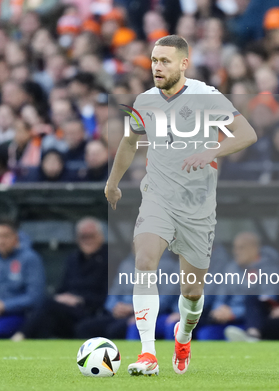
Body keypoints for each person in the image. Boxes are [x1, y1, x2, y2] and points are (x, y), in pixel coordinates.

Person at [105, 35, 257, 376]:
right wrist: (112, 182)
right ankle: (147, 354)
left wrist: (211, 151)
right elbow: (130, 143)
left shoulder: (207, 97)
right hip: (157, 197)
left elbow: (247, 134)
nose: (157, 67)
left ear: (183, 64)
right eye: (154, 61)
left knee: (191, 290)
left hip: (197, 206)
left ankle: (183, 335)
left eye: (165, 61)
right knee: (144, 261)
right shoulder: (144, 102)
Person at [12, 217, 108, 341]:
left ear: (100, 237)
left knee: (49, 306)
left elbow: (106, 296)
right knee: (48, 306)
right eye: (83, 236)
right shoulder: (72, 259)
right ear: (77, 238)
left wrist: (80, 299)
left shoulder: (109, 260)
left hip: (90, 310)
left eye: (91, 236)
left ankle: (21, 335)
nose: (87, 240)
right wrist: (60, 297)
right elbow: (63, 287)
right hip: (67, 310)